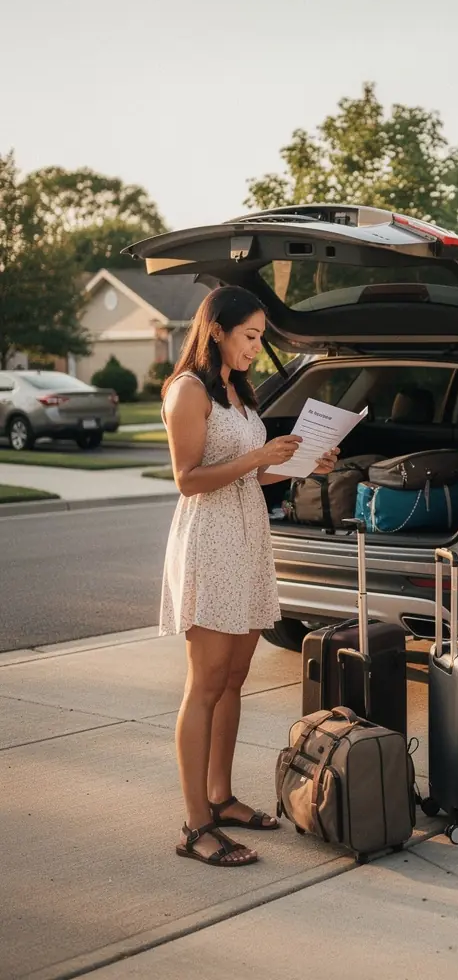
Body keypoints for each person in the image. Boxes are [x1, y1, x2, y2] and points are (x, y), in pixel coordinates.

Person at [161, 285, 339, 867]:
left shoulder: (238, 392)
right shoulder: (187, 391)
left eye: (261, 339)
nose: (258, 349)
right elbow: (188, 478)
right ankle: (194, 826)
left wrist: (301, 462)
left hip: (246, 536)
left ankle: (221, 797)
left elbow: (247, 477)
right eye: (251, 336)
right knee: (205, 683)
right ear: (217, 329)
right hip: (210, 542)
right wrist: (258, 459)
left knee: (235, 677)